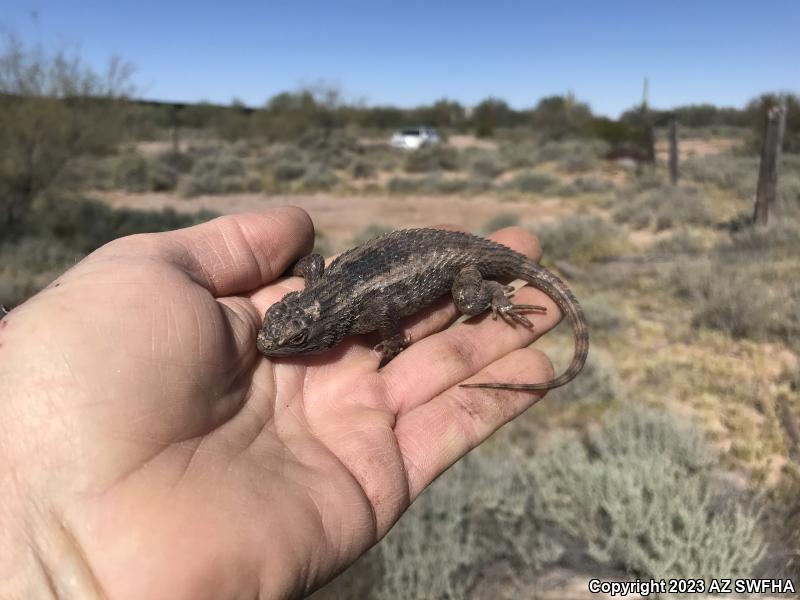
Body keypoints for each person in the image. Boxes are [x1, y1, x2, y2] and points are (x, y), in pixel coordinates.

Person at [0, 207, 560, 599]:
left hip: (456, 262)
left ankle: (495, 298)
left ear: (315, 329)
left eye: (287, 341)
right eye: (275, 331)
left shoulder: (360, 318)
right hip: (420, 251)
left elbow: (382, 314)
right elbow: (314, 269)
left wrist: (392, 343)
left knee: (467, 299)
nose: (269, 344)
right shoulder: (324, 303)